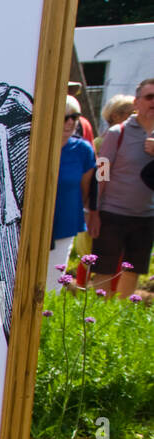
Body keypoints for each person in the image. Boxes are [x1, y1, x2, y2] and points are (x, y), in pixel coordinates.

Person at [89, 78, 154, 299]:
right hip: (112, 214)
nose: (153, 102)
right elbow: (102, 173)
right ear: (136, 102)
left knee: (133, 271)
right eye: (149, 97)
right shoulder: (118, 133)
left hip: (146, 216)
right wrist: (94, 212)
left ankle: (121, 315)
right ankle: (96, 318)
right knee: (103, 270)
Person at [49, 97, 96, 276]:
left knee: (54, 282)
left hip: (65, 222)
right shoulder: (33, 145)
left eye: (74, 117)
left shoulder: (84, 150)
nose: (70, 122)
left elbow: (86, 188)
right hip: (31, 225)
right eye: (64, 117)